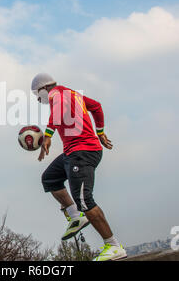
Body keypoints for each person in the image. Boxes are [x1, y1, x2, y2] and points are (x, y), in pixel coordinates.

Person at [31, 73, 127, 261]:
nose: (38, 99)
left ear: (43, 89)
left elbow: (56, 113)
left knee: (84, 199)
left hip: (82, 152)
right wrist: (100, 131)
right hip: (72, 152)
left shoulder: (55, 95)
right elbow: (97, 107)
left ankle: (113, 246)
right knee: (50, 178)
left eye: (37, 95)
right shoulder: (72, 94)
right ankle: (76, 215)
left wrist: (48, 135)